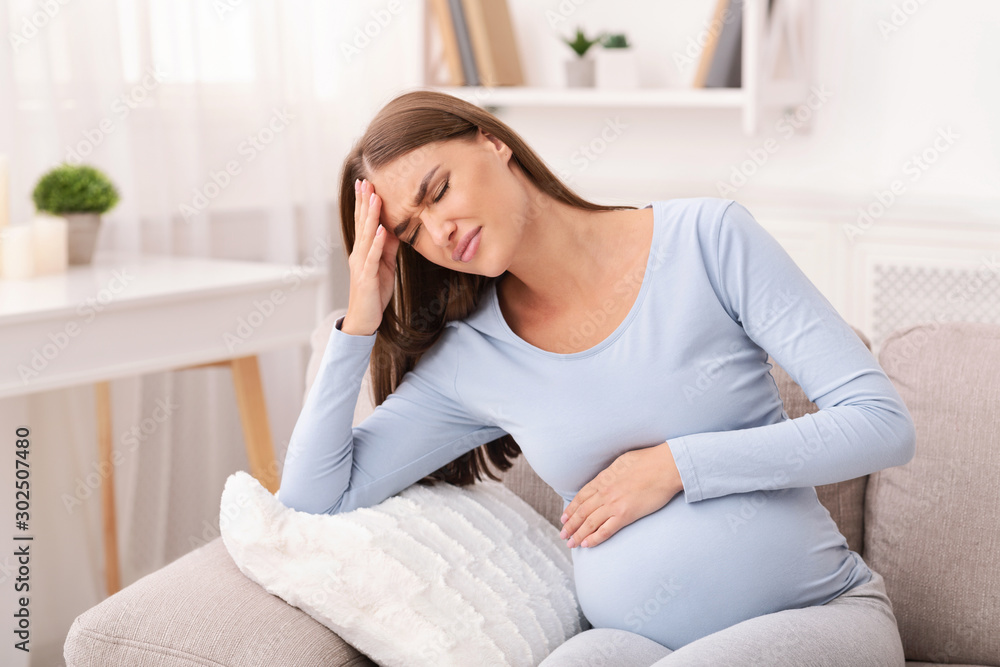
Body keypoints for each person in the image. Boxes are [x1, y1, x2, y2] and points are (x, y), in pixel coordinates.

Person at [277, 90, 914, 665]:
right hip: (630, 646)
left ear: (492, 144)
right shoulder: (471, 358)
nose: (438, 231)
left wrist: (675, 466)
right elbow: (316, 495)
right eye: (411, 231)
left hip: (816, 618)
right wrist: (360, 317)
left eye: (438, 190)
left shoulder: (706, 241)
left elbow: (881, 425)